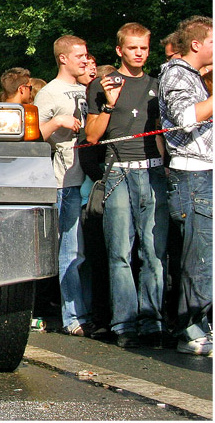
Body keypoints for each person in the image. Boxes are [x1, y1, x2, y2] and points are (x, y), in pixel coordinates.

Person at [86, 22, 167, 349]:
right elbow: (92, 136)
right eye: (132, 48)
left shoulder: (158, 86)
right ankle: (124, 325)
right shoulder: (101, 84)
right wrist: (109, 102)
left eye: (144, 48)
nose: (139, 53)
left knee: (153, 252)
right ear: (120, 50)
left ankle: (153, 322)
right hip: (118, 172)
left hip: (153, 174)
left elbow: (164, 135)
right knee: (119, 252)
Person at [159, 16, 213, 355]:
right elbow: (186, 117)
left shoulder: (192, 75)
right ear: (196, 44)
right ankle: (191, 329)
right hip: (192, 175)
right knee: (199, 257)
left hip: (203, 173)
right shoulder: (176, 74)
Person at [34, 34, 93, 337]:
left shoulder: (86, 89)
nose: (85, 59)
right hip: (63, 184)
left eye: (86, 55)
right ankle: (73, 318)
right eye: (80, 55)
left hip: (87, 179)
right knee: (69, 252)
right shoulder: (49, 93)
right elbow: (30, 136)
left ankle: (87, 313)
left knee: (83, 252)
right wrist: (58, 123)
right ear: (63, 58)